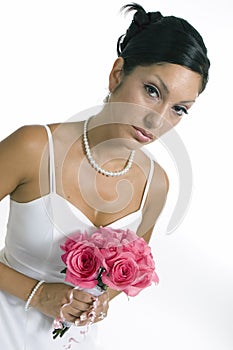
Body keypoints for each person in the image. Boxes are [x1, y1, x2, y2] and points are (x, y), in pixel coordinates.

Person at [0, 3, 210, 350]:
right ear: (117, 74)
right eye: (152, 91)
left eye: (178, 109)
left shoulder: (155, 185)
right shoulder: (34, 146)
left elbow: (119, 281)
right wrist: (35, 293)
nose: (157, 120)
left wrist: (101, 303)